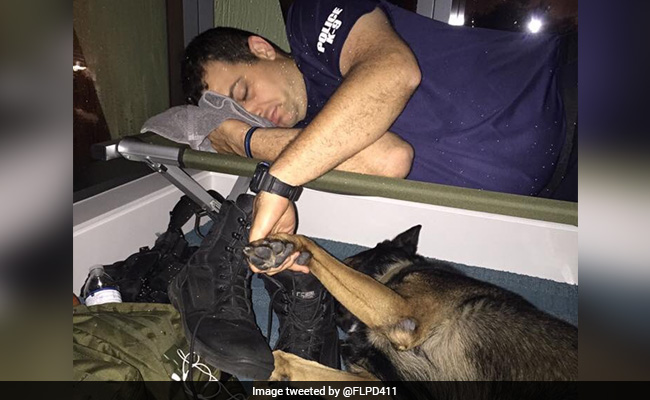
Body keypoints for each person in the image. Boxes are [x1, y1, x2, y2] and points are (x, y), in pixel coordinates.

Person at [174, 0, 568, 372]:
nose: (255, 114)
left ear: (261, 49)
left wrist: (253, 148)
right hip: (562, 202)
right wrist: (259, 141)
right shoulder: (310, 136)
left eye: (244, 93)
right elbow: (386, 159)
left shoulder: (311, 18)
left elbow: (394, 72)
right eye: (242, 114)